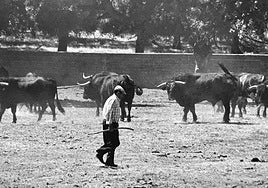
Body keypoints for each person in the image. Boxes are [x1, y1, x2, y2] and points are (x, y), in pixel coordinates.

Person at [96, 85, 126, 167]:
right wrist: (110, 124)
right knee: (114, 142)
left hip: (110, 123)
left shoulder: (113, 99)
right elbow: (109, 112)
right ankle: (100, 152)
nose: (123, 96)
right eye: (122, 94)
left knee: (111, 143)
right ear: (118, 92)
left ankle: (109, 162)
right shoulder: (114, 100)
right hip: (111, 123)